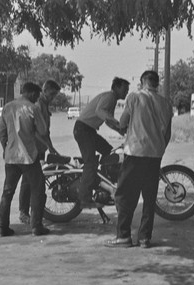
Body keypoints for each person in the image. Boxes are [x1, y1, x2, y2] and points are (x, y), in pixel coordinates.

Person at [105, 71, 173, 248]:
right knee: (149, 198)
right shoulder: (166, 103)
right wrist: (159, 148)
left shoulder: (134, 97)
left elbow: (123, 122)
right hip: (155, 154)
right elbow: (167, 133)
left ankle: (124, 236)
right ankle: (144, 238)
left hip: (135, 153)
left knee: (125, 196)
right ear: (156, 84)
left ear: (143, 82)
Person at [0, 82, 51, 237]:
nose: (37, 98)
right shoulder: (32, 108)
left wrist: (5, 149)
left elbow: (1, 134)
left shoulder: (7, 107)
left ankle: (2, 226)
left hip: (11, 157)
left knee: (7, 192)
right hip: (28, 157)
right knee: (38, 190)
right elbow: (43, 130)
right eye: (36, 95)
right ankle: (36, 226)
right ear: (32, 93)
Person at [73, 77, 130, 209]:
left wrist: (122, 131)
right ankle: (84, 198)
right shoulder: (110, 96)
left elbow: (108, 121)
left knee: (108, 151)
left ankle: (103, 182)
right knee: (90, 163)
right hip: (83, 129)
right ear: (116, 87)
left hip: (89, 130)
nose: (126, 92)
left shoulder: (112, 99)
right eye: (124, 89)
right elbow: (100, 112)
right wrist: (118, 124)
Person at [18, 80, 61, 224]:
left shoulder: (44, 105)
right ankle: (23, 212)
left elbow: (45, 132)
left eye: (55, 95)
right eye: (52, 93)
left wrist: (50, 146)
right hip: (33, 148)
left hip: (40, 148)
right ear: (45, 90)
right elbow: (35, 131)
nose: (53, 97)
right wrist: (49, 146)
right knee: (28, 181)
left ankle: (33, 212)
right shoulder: (37, 105)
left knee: (36, 181)